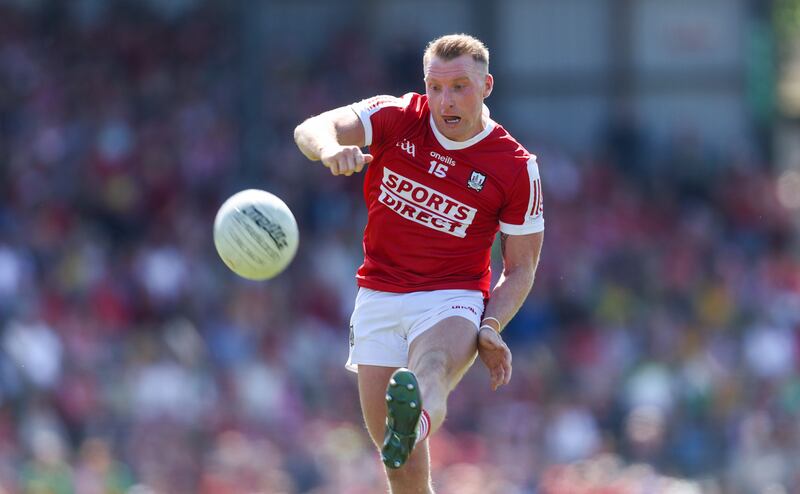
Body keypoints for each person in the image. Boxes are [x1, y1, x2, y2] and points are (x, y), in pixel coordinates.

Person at [294, 33, 544, 494]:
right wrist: (332, 150)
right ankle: (408, 432)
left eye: (459, 88)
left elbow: (522, 267)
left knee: (428, 368)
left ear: (486, 86)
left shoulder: (514, 166)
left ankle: (418, 420)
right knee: (403, 475)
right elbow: (311, 128)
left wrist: (490, 325)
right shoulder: (398, 116)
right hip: (378, 297)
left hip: (453, 298)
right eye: (435, 87)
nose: (444, 101)